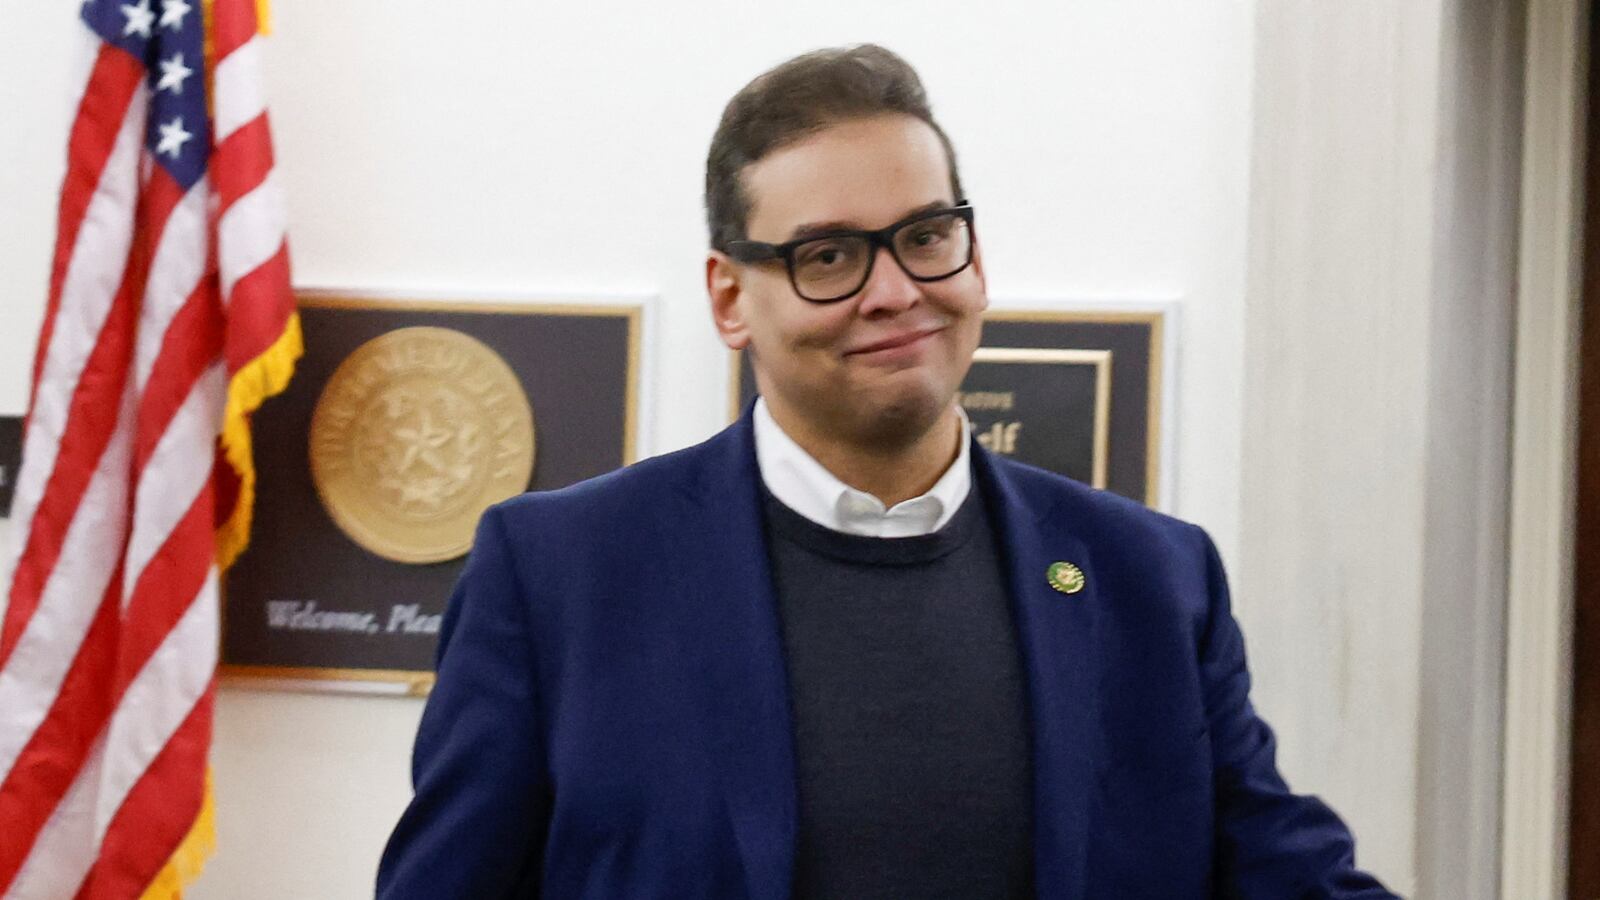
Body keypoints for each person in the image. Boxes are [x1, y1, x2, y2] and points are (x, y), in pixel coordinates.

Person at [376, 45, 1397, 899]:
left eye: (925, 237)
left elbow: (1276, 868)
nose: (895, 290)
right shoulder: (557, 575)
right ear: (730, 297)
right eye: (828, 256)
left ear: (974, 256)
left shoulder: (1150, 578)